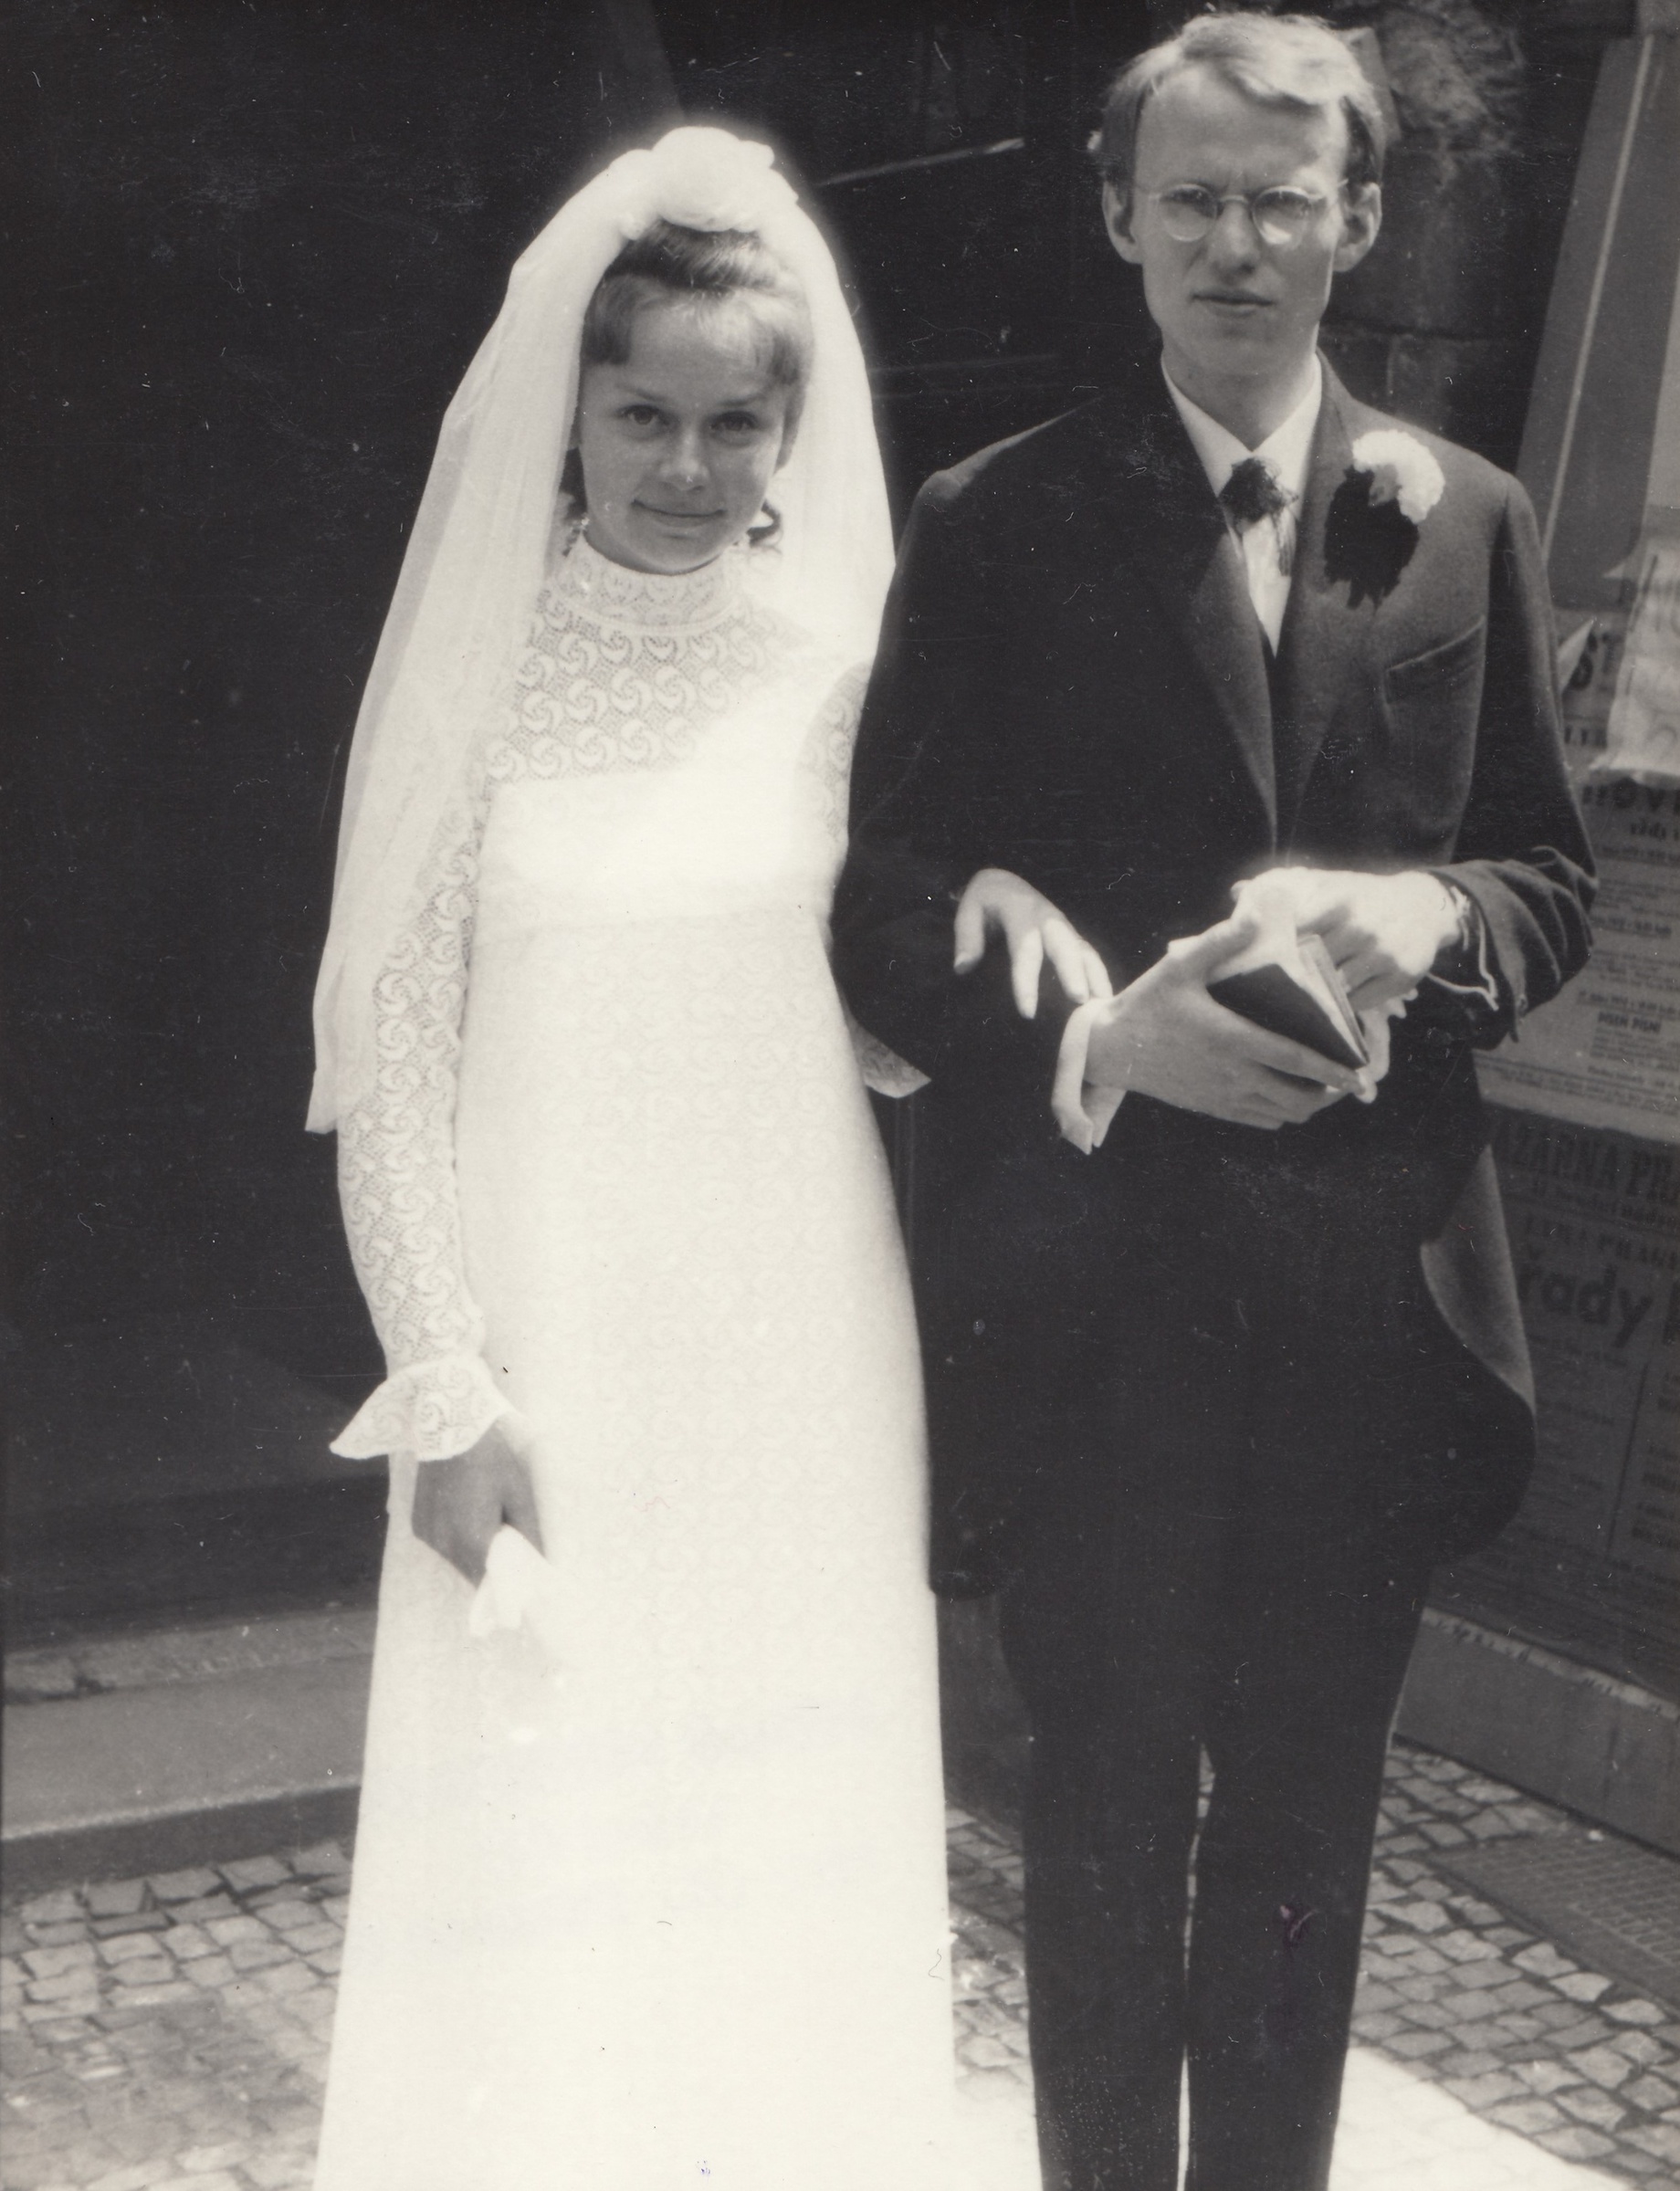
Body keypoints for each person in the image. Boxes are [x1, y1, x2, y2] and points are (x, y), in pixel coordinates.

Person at [832, 16, 1593, 2191]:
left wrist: (1426, 916)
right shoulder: (995, 517)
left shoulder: (1462, 518)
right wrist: (1092, 1044)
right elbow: (882, 905)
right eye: (1189, 202)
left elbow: (1547, 881)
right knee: (1091, 1828)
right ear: (1117, 220)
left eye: (1279, 201)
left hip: (1365, 1315)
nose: (1233, 246)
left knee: (1298, 1846)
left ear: (1357, 220)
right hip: (1094, 1309)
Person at [306, 127, 962, 2191]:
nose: (685, 464)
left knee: (779, 1778)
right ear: (571, 418)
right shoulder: (475, 687)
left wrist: (1005, 940)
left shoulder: (849, 687)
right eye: (643, 416)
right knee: (547, 1794)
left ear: (788, 437)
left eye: (731, 422)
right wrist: (449, 1383)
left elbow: (886, 1026)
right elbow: (391, 1068)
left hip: (794, 1340)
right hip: (554, 1337)